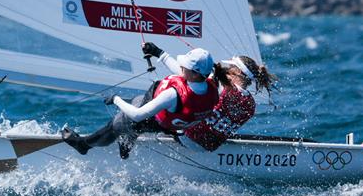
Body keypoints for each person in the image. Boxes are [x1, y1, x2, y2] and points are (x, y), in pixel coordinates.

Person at [62, 45, 219, 159]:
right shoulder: (209, 85)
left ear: (194, 73)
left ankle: (83, 145)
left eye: (185, 65)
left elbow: (138, 115)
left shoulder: (173, 94)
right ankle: (127, 142)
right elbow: (182, 72)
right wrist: (158, 52)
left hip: (150, 119)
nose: (181, 66)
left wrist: (116, 99)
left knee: (117, 124)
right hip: (170, 123)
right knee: (135, 103)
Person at [181, 55, 277, 151]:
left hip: (186, 137)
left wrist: (165, 57)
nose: (226, 69)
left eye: (230, 67)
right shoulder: (251, 105)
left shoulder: (225, 87)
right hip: (208, 148)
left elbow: (188, 78)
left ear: (238, 71)